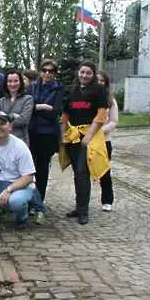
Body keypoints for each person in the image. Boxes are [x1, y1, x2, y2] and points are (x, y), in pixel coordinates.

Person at [60, 61, 109, 225]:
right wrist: (62, 133)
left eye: (88, 73)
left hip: (89, 137)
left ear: (93, 74)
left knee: (82, 173)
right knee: (77, 173)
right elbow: (65, 113)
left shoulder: (99, 90)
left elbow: (101, 116)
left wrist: (88, 136)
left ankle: (83, 211)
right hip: (72, 136)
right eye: (82, 72)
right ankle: (79, 206)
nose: (85, 75)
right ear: (78, 73)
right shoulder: (72, 90)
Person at [28, 59, 63, 205]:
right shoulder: (33, 86)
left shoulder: (58, 88)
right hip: (31, 132)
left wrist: (36, 108)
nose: (47, 73)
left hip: (48, 134)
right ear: (40, 71)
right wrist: (42, 106)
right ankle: (28, 199)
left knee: (42, 169)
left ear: (55, 73)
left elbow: (54, 112)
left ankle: (38, 201)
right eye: (44, 70)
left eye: (51, 71)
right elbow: (27, 107)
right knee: (29, 168)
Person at [97, 71, 118, 212]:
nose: (99, 83)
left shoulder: (110, 101)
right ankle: (81, 202)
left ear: (106, 83)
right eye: (96, 80)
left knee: (104, 172)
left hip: (104, 141)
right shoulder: (89, 97)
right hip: (87, 140)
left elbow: (114, 122)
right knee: (82, 173)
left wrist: (100, 131)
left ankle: (107, 200)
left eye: (102, 81)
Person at [0, 69, 34, 146]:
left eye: (16, 81)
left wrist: (5, 116)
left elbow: (24, 120)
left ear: (20, 82)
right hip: (3, 140)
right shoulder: (1, 101)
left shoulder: (28, 99)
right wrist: (14, 115)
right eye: (10, 81)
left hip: (20, 141)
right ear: (6, 83)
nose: (13, 84)